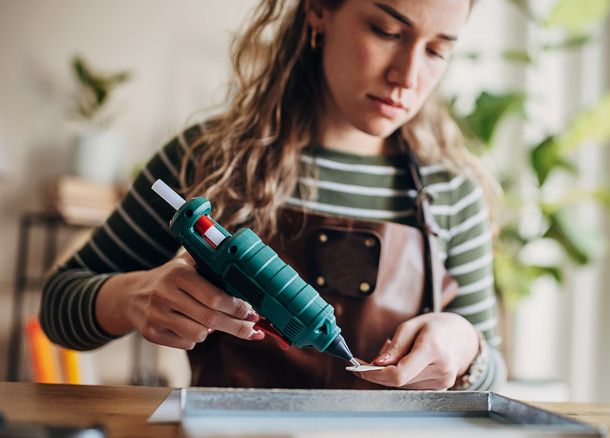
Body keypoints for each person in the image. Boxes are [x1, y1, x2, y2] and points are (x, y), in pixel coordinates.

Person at [41, 0, 506, 391]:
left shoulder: (451, 194)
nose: (407, 75)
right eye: (386, 31)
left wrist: (468, 349)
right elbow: (56, 310)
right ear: (320, 10)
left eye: (438, 51)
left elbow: (494, 380)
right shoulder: (207, 159)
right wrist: (129, 297)